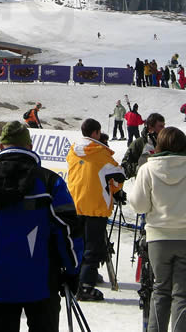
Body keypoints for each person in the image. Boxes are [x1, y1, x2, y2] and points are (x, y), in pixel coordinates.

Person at [0, 121, 81, 332]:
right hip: (41, 280)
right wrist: (72, 270)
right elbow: (68, 229)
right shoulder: (50, 182)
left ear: (0, 146)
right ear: (30, 146)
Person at [129, 127, 186, 332]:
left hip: (158, 238)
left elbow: (139, 205)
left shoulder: (148, 169)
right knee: (185, 295)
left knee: (160, 291)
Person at [67, 118, 125, 302]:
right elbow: (119, 175)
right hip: (96, 205)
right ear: (95, 133)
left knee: (78, 245)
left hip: (75, 202)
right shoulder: (100, 153)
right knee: (92, 248)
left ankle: (78, 279)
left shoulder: (73, 149)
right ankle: (86, 287)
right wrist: (116, 190)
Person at [122, 113, 166, 179]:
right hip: (145, 182)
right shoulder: (139, 143)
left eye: (164, 125)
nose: (164, 129)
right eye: (160, 126)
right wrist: (140, 169)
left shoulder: (167, 141)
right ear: (150, 127)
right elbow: (125, 165)